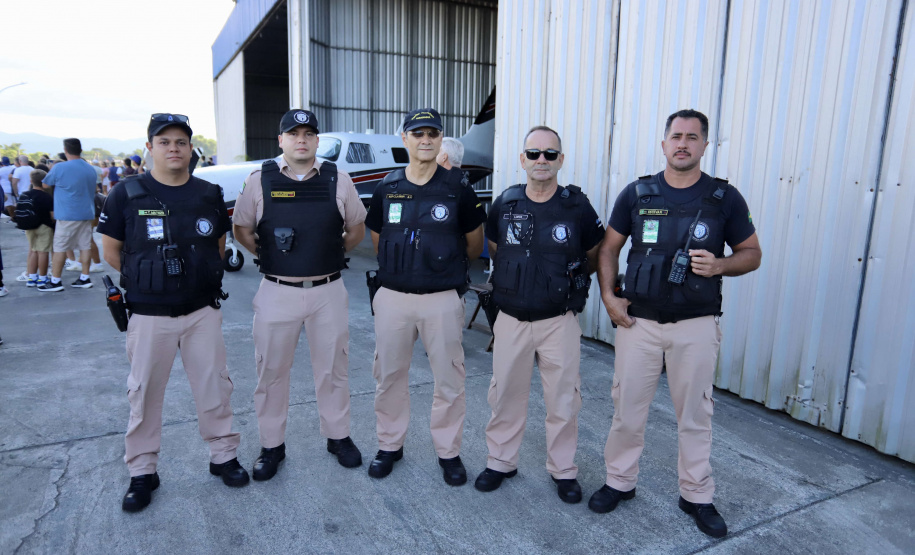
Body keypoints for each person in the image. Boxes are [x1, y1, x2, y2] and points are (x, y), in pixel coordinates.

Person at [591, 109, 762, 538]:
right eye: (676, 136)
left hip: (696, 325)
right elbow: (609, 249)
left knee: (696, 414)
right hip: (639, 325)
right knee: (627, 410)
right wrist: (610, 298)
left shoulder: (725, 199)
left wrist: (721, 265)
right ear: (664, 143)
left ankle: (697, 494)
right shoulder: (637, 194)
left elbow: (752, 253)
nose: (683, 143)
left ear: (706, 145)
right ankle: (619, 481)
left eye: (692, 137)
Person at [97, 113, 248, 513]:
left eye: (180, 142)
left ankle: (223, 456)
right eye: (164, 142)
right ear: (149, 148)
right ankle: (143, 471)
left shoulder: (208, 193)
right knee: (144, 394)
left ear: (190, 148)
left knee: (215, 386)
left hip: (201, 312)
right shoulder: (126, 194)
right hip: (148, 315)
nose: (173, 149)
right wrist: (148, 281)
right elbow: (111, 251)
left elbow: (218, 245)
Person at [232, 109, 367, 480]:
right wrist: (266, 255)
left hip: (328, 290)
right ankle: (272, 445)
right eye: (293, 133)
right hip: (278, 290)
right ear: (281, 141)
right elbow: (241, 227)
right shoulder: (259, 179)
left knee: (334, 369)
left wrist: (334, 251)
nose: (301, 139)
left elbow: (356, 227)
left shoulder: (339, 179)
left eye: (309, 133)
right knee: (271, 372)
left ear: (317, 140)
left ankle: (337, 437)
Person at [473, 126, 605, 504]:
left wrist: (561, 284)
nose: (541, 161)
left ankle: (563, 470)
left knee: (563, 400)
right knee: (505, 396)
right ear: (522, 160)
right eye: (534, 154)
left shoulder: (577, 206)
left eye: (550, 154)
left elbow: (595, 253)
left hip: (557, 321)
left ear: (561, 160)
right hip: (512, 318)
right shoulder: (506, 202)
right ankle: (500, 461)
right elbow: (497, 248)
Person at [364, 108, 485, 485]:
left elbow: (474, 244)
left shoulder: (457, 188)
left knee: (449, 379)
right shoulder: (388, 186)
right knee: (389, 376)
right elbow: (377, 238)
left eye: (433, 133)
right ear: (405, 140)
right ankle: (389, 445)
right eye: (418, 134)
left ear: (439, 139)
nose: (426, 139)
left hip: (441, 298)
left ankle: (448, 452)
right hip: (394, 298)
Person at [38, 139, 97, 291]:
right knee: (85, 246)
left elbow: (45, 184)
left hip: (67, 214)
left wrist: (51, 168)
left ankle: (56, 281)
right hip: (86, 212)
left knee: (60, 247)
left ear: (65, 150)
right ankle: (85, 277)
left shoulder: (60, 167)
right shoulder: (90, 168)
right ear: (80, 149)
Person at [15, 169, 54, 287]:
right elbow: (52, 215)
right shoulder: (47, 197)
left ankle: (31, 277)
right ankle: (42, 278)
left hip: (29, 226)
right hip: (44, 226)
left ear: (31, 181)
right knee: (43, 252)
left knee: (32, 250)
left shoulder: (25, 194)